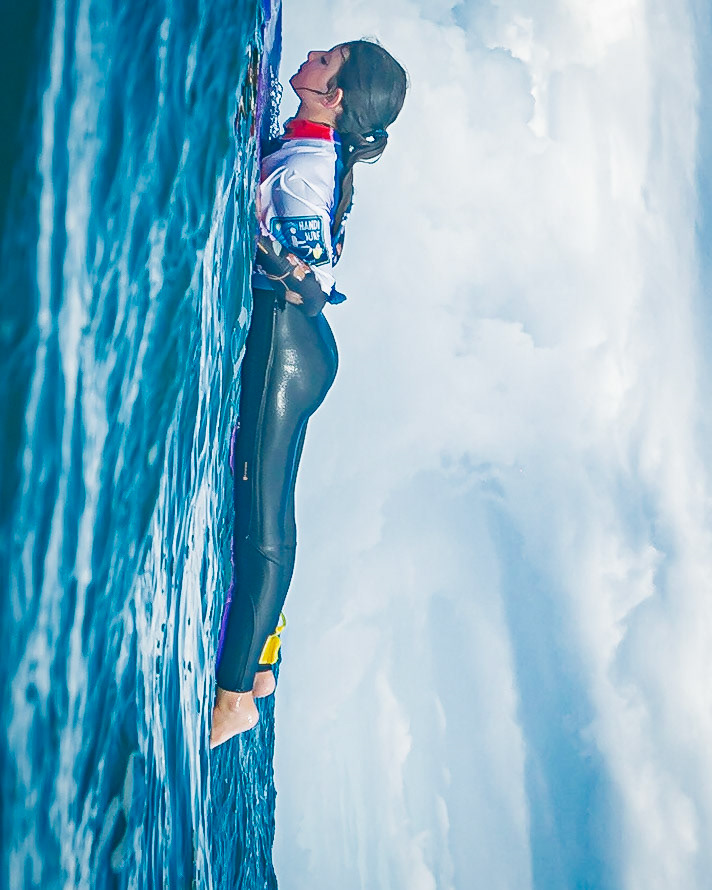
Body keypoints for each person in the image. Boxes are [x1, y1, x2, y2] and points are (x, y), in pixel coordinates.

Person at [210, 40, 407, 749]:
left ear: (337, 97)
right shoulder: (307, 144)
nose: (317, 52)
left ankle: (235, 700)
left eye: (332, 59)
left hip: (288, 348)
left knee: (261, 526)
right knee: (265, 513)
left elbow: (313, 276)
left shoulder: (310, 168)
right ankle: (261, 666)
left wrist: (268, 251)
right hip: (294, 346)